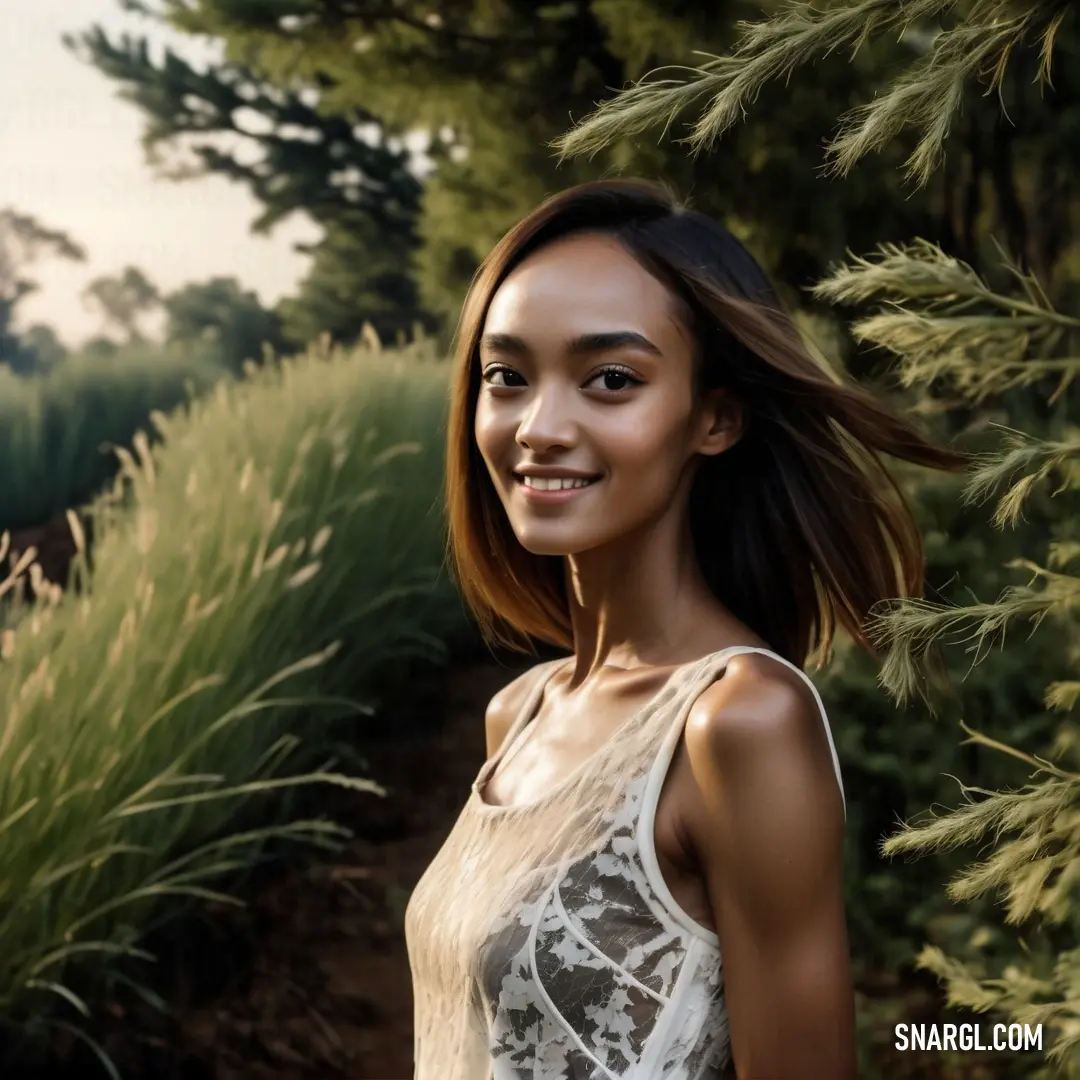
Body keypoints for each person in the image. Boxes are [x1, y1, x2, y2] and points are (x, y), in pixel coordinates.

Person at [404, 178, 968, 1079]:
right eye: (507, 377)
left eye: (611, 380)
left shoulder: (739, 723)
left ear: (715, 417)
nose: (539, 427)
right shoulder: (519, 716)